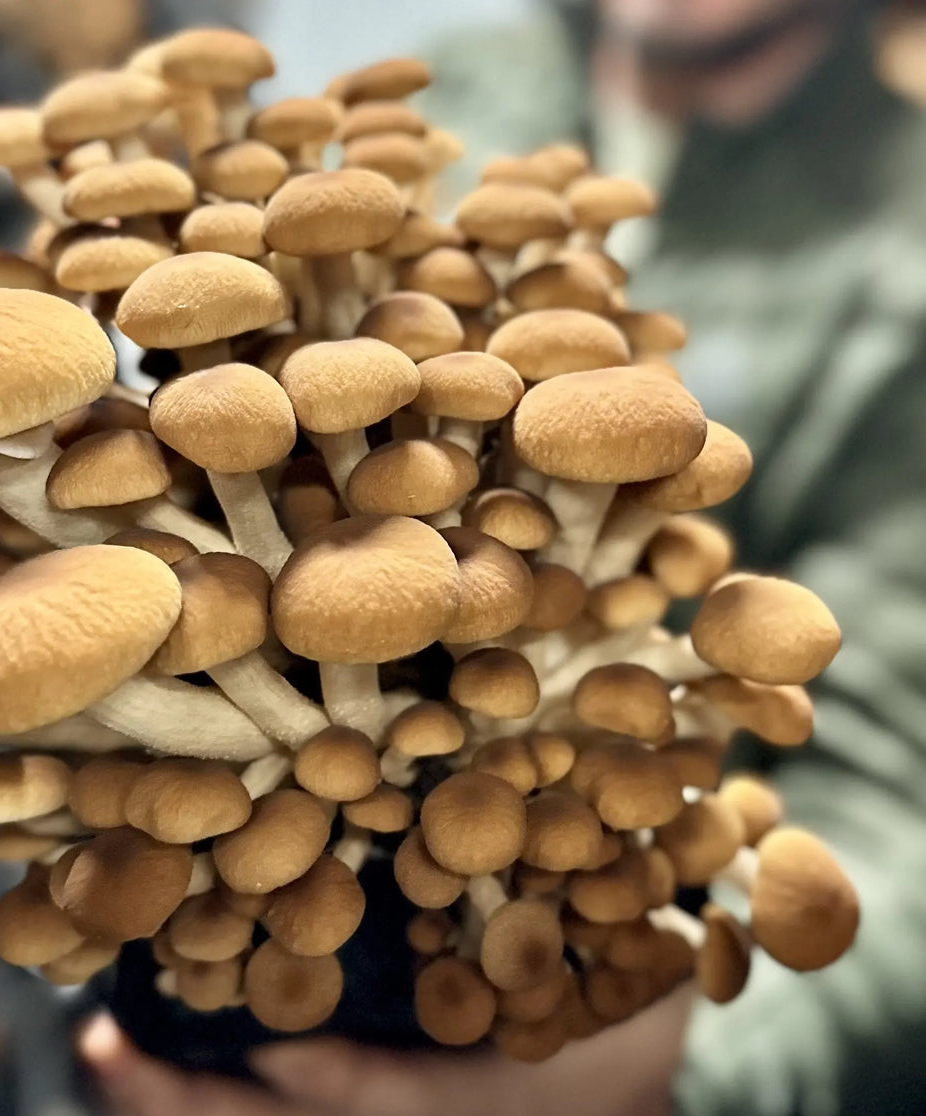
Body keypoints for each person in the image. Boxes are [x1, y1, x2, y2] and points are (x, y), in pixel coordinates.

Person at [81, 2, 926, 1112]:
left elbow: (897, 793)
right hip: (290, 839)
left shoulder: (904, 232)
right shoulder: (452, 93)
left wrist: (686, 1069)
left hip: (585, 923)